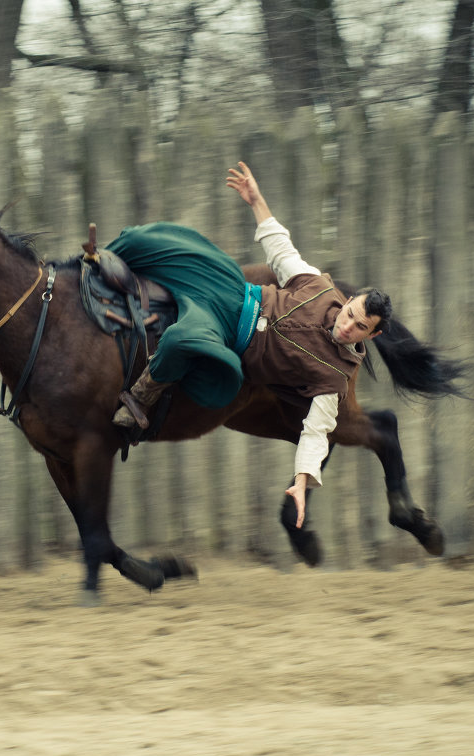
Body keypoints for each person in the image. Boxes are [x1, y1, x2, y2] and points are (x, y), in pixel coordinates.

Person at [107, 162, 392, 530]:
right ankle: (93, 266)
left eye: (360, 327)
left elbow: (316, 433)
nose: (347, 325)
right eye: (351, 313)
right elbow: (280, 249)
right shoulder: (320, 288)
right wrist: (256, 200)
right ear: (350, 300)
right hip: (230, 287)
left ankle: (138, 400)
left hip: (226, 330)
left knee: (179, 339)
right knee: (152, 237)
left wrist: (302, 482)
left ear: (372, 336)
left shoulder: (335, 377)